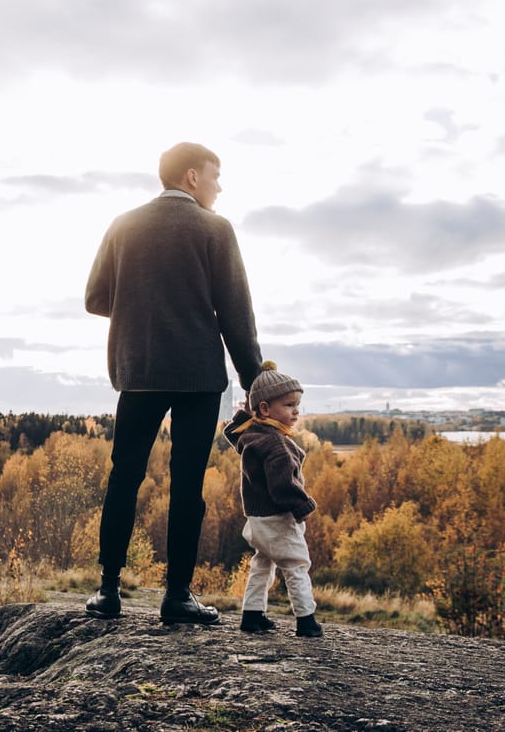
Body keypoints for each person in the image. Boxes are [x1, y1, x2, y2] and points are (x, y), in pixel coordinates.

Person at [84, 141, 264, 625]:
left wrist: (141, 305)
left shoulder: (123, 225)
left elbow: (95, 298)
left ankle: (108, 591)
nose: (219, 187)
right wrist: (254, 381)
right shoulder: (215, 229)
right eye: (215, 176)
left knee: (124, 478)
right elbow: (236, 314)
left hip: (139, 371)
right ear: (191, 177)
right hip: (198, 377)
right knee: (188, 485)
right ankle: (178, 596)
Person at [222, 361, 323, 637]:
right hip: (278, 519)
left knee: (262, 564)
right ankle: (306, 621)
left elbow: (231, 431)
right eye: (289, 405)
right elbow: (283, 485)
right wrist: (303, 506)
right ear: (265, 409)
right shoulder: (276, 444)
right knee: (296, 565)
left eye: (297, 405)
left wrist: (249, 409)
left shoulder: (252, 435)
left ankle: (252, 615)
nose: (296, 411)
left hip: (256, 520)